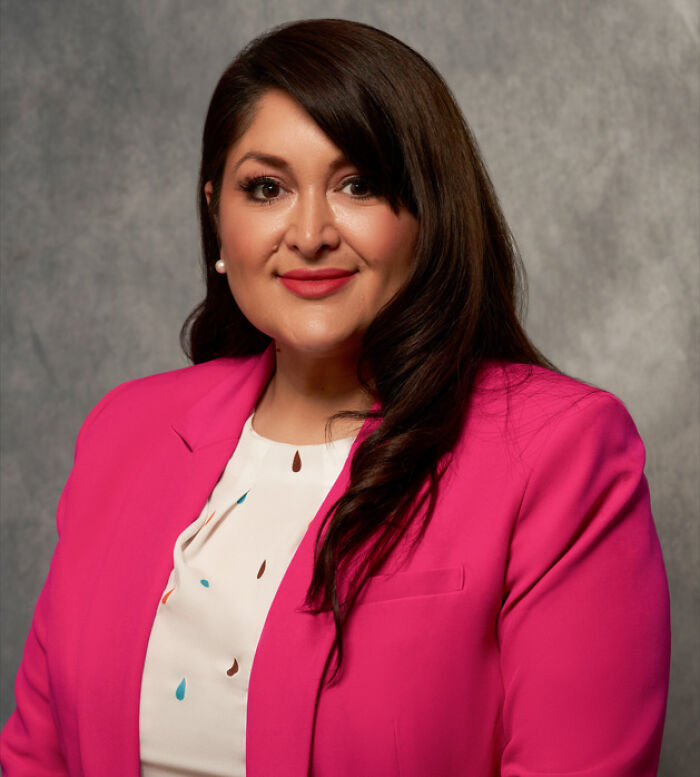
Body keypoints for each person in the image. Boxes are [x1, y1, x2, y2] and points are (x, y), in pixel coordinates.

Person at [0, 17, 671, 777]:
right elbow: (38, 756)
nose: (311, 232)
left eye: (357, 184)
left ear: (427, 213)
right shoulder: (125, 429)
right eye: (266, 188)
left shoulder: (561, 452)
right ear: (219, 212)